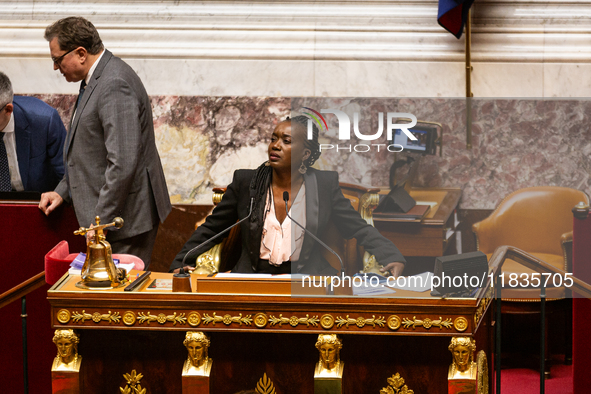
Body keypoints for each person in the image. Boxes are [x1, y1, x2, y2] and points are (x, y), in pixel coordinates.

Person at [170, 115, 406, 276]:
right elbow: (212, 228)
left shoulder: (323, 186)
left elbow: (358, 228)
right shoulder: (247, 182)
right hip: (252, 278)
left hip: (305, 278)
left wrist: (392, 256)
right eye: (273, 138)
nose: (275, 145)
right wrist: (181, 263)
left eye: (286, 141)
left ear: (305, 153)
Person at [38, 17, 171, 266]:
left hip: (124, 221)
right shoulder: (97, 77)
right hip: (114, 219)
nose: (56, 67)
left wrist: (102, 220)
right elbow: (89, 151)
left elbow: (123, 161)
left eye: (57, 59)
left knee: (116, 301)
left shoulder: (114, 83)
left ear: (80, 53)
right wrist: (62, 191)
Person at [0, 71, 66, 193]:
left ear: (8, 110)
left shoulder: (44, 121)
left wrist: (59, 196)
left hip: (39, 203)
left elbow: (68, 174)